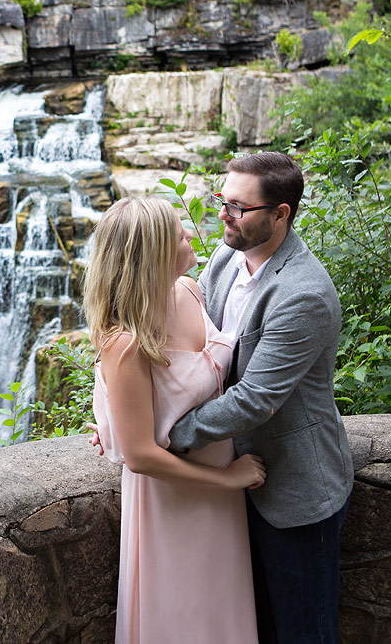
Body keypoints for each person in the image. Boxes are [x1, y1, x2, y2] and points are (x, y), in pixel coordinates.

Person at [163, 151, 353, 643]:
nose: (222, 215)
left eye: (238, 208)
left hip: (294, 487)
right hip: (228, 477)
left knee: (301, 632)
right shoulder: (228, 256)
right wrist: (127, 414)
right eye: (220, 200)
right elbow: (191, 347)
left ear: (280, 213)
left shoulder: (303, 294)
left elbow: (255, 399)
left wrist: (167, 434)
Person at [86, 193, 266, 644]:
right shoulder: (126, 344)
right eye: (176, 230)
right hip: (177, 496)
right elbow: (143, 456)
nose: (190, 232)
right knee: (184, 613)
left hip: (218, 490)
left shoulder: (188, 290)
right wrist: (230, 479)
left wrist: (112, 423)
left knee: (221, 608)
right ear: (152, 254)